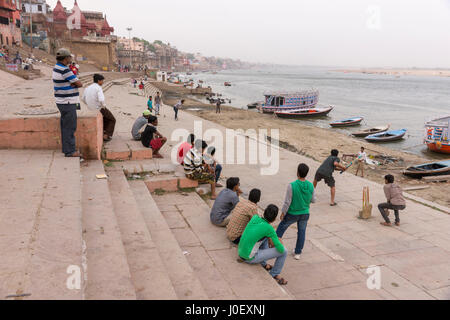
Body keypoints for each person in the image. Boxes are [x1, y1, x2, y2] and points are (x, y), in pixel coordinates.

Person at [238, 205, 288, 285]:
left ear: (264, 212)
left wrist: (270, 238)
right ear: (274, 219)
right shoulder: (269, 228)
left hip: (241, 251)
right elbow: (280, 249)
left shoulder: (255, 217)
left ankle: (264, 263)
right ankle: (274, 273)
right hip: (249, 258)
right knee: (285, 251)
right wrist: (280, 241)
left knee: (265, 237)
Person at [276, 163, 315, 260]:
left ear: (297, 172)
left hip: (292, 213)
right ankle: (298, 252)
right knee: (301, 232)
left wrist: (283, 213)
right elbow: (313, 200)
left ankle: (274, 245)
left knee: (281, 228)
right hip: (305, 213)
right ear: (306, 173)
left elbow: (287, 202)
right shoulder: (311, 185)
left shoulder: (292, 185)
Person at [52, 48, 83, 158]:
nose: (70, 59)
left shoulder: (57, 67)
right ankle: (70, 151)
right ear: (66, 58)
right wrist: (74, 83)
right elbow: (79, 84)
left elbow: (75, 83)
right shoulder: (65, 70)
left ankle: (67, 149)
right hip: (68, 102)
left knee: (66, 127)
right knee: (70, 127)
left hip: (62, 101)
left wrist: (73, 83)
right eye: (69, 57)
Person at [82, 74, 116, 142]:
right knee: (112, 119)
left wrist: (89, 105)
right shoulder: (98, 88)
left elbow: (83, 99)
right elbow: (101, 100)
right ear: (98, 81)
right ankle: (106, 135)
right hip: (98, 108)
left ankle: (103, 132)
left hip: (90, 108)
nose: (103, 82)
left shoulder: (87, 88)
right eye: (102, 81)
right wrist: (104, 106)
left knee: (105, 118)